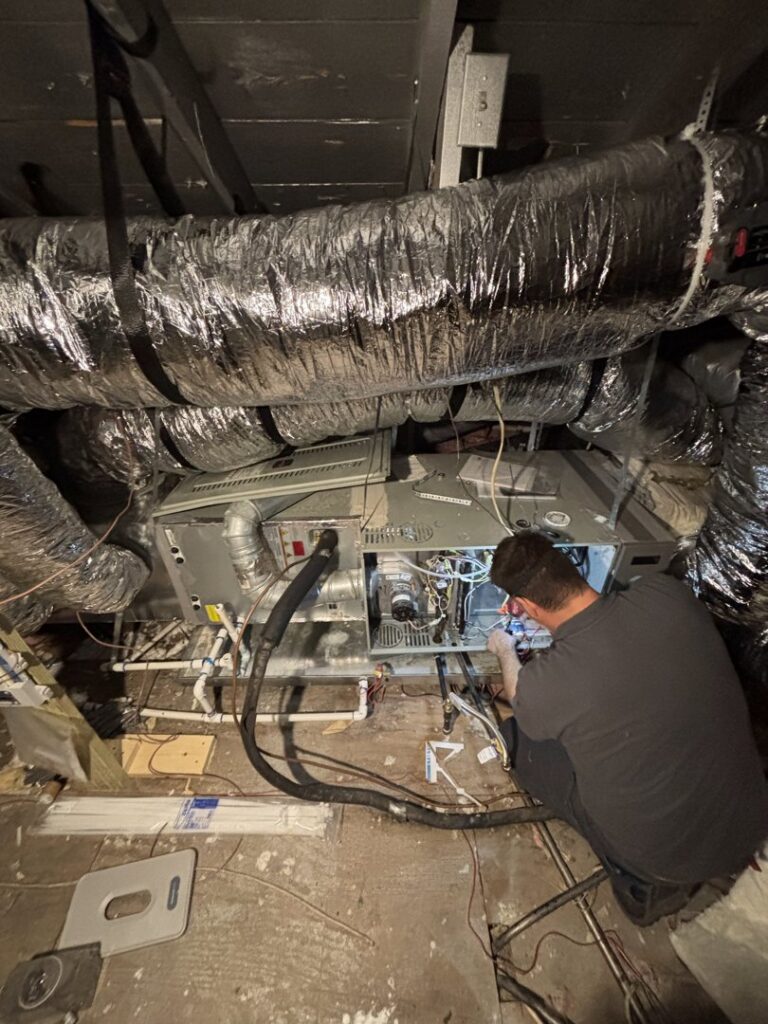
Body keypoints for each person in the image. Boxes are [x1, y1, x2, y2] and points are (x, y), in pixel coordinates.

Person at [487, 530, 768, 925]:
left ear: (526, 606)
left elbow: (519, 695)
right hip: (751, 821)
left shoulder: (551, 685)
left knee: (519, 741)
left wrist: (504, 649)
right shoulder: (667, 594)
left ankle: (638, 881)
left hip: (666, 861)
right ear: (571, 567)